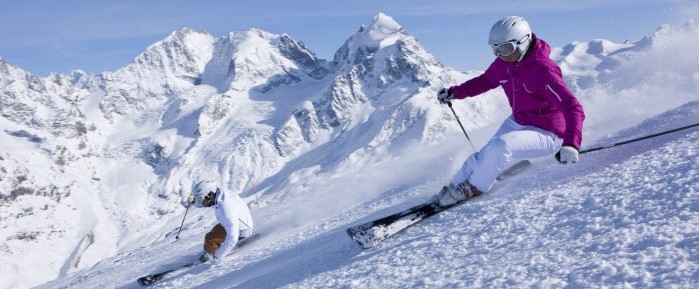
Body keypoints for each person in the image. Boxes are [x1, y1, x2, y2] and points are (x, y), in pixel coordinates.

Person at [434, 16, 585, 207]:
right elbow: (485, 81)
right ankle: (454, 187)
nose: (500, 55)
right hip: (520, 120)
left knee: (500, 146)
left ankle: (475, 186)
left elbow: (572, 107)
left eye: (505, 49)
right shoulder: (503, 65)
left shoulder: (543, 71)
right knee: (483, 154)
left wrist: (571, 143)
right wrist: (454, 93)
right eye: (495, 49)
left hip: (549, 132)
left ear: (523, 43)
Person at [188, 180, 254, 263]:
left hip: (242, 230)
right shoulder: (219, 194)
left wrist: (217, 256)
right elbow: (202, 203)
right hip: (238, 221)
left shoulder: (226, 210)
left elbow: (233, 238)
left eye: (199, 198)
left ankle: (211, 254)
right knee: (214, 231)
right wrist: (193, 201)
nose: (199, 201)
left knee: (209, 239)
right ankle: (213, 249)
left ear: (210, 195)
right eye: (197, 198)